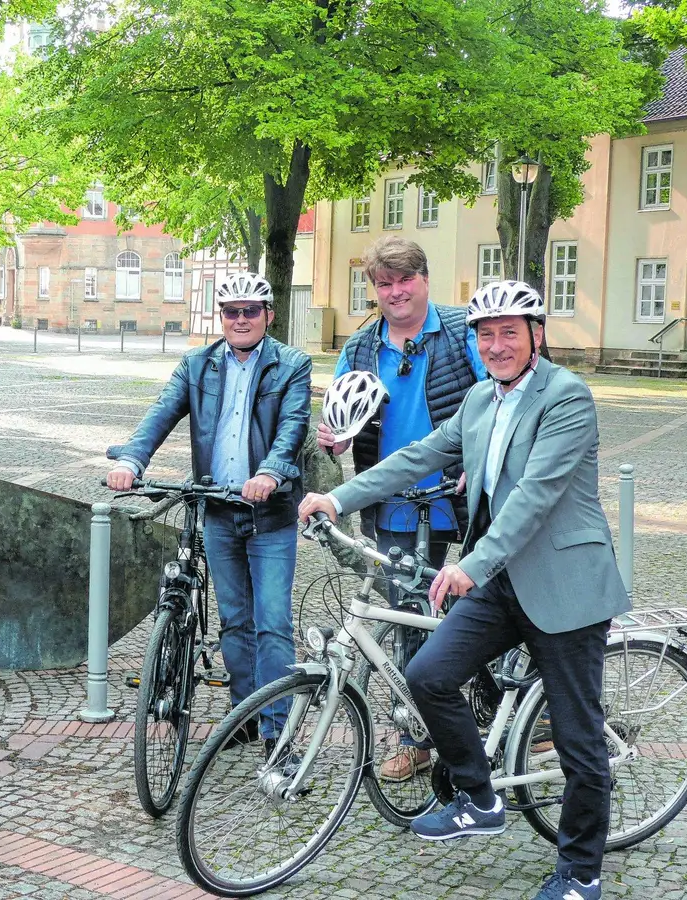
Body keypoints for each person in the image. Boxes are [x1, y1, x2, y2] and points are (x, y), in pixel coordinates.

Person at [299, 281, 631, 900]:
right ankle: (478, 798)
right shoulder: (481, 398)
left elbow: (535, 495)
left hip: (565, 585)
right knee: (429, 674)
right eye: (486, 335)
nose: (497, 345)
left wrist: (471, 565)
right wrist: (338, 497)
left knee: (578, 738)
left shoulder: (566, 397)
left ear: (537, 335)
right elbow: (419, 454)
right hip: (502, 582)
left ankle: (581, 872)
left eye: (509, 332)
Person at [107, 271, 313, 752]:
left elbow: (293, 426)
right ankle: (245, 715)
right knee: (234, 623)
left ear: (268, 315)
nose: (240, 319)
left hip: (270, 515)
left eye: (250, 311)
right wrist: (133, 460)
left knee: (273, 625)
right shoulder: (197, 364)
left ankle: (278, 734)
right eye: (231, 311)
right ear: (221, 316)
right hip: (218, 510)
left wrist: (271, 472)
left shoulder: (292, 365)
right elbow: (161, 412)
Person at [319, 235, 486, 782]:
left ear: (425, 279)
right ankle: (418, 738)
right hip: (394, 503)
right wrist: (335, 440)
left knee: (494, 606)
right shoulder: (361, 348)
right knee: (409, 616)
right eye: (384, 283)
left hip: (464, 495)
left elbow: (498, 398)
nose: (395, 292)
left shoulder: (462, 331)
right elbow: (340, 420)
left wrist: (478, 458)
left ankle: (519, 710)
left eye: (405, 279)